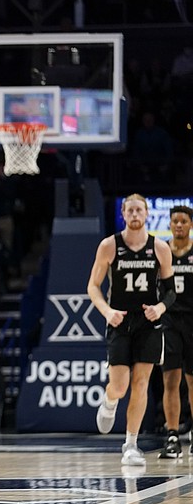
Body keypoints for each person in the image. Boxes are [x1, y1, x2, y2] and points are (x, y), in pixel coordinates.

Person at [88, 194, 175, 466]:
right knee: (120, 385)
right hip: (120, 320)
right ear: (123, 214)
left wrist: (160, 308)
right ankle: (109, 401)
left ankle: (131, 444)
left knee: (141, 383)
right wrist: (107, 312)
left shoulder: (160, 248)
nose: (135, 214)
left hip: (148, 322)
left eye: (140, 209)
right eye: (130, 210)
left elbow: (171, 291)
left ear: (147, 214)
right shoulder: (109, 245)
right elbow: (93, 286)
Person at [159, 205, 193, 458]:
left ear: (190, 224)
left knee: (192, 380)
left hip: (192, 321)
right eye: (175, 221)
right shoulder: (161, 252)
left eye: (183, 221)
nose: (179, 225)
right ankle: (172, 434)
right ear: (169, 224)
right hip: (169, 321)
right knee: (170, 379)